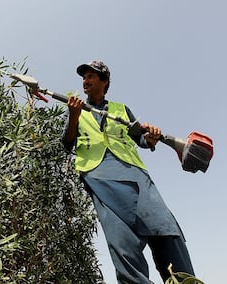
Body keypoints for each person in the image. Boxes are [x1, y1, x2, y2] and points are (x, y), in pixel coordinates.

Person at [62, 60, 195, 283]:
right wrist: (74, 115)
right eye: (83, 77)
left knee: (166, 230)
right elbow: (67, 143)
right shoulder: (76, 108)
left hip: (135, 176)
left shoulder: (120, 110)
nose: (85, 81)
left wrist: (149, 137)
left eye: (91, 76)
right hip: (99, 178)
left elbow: (141, 138)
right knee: (122, 246)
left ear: (104, 81)